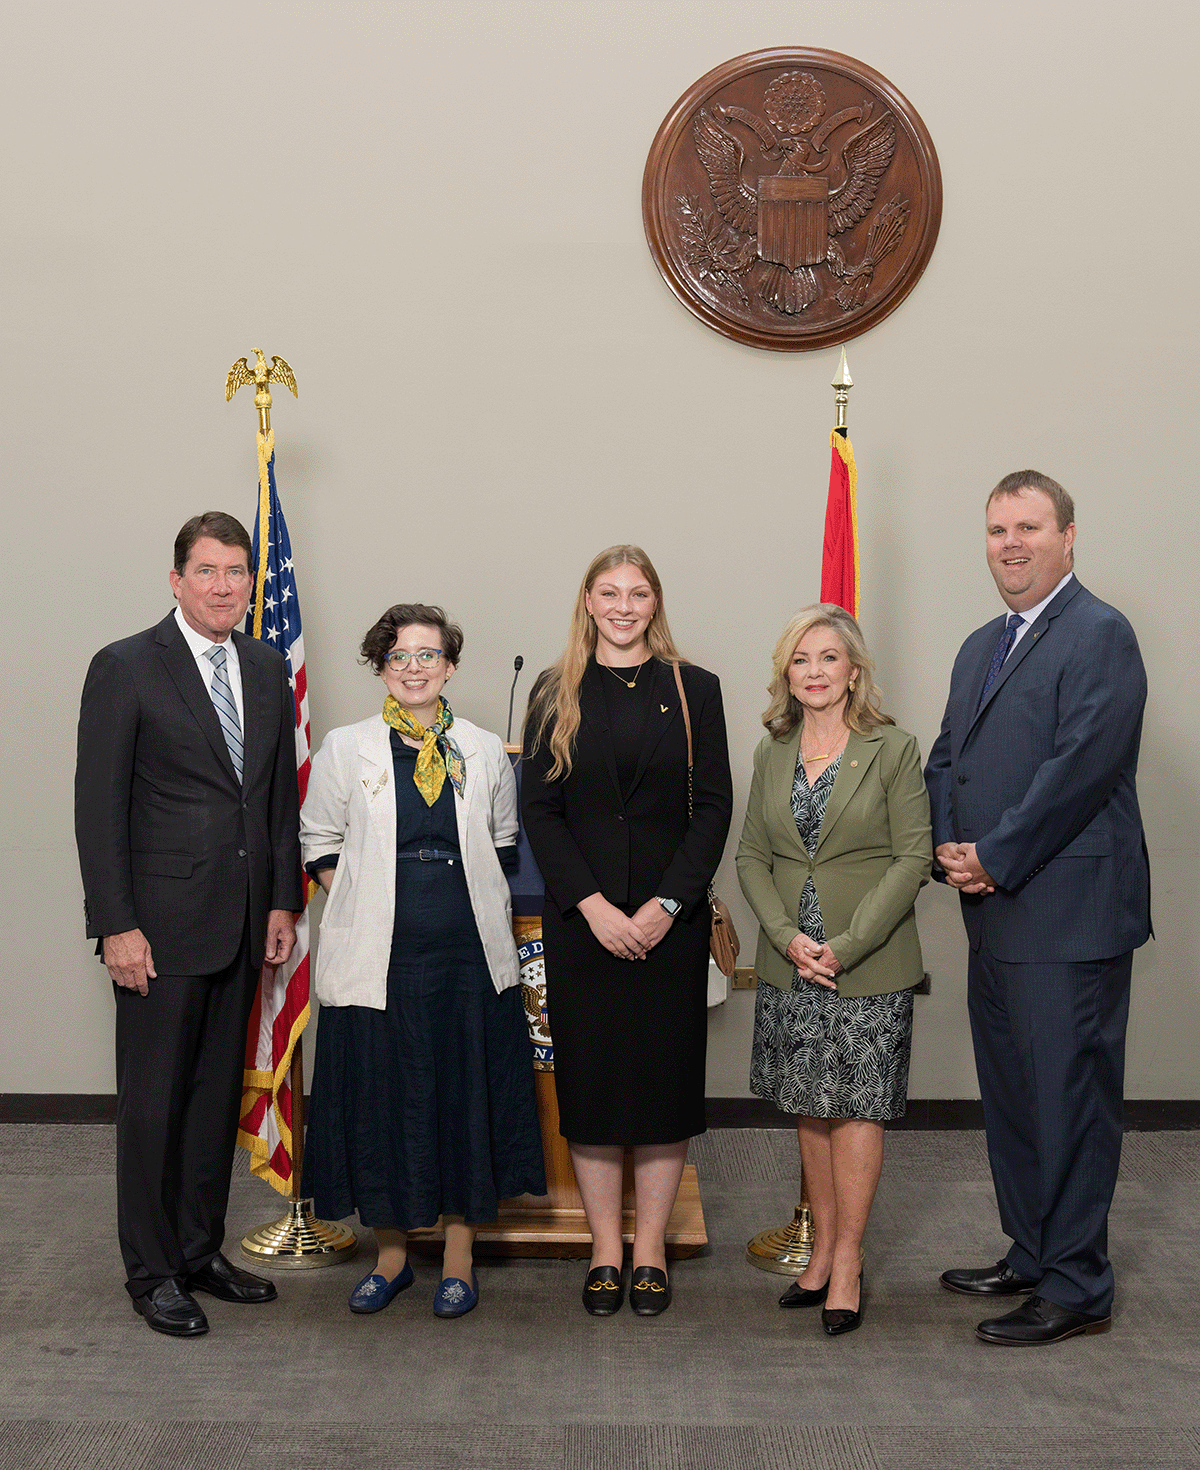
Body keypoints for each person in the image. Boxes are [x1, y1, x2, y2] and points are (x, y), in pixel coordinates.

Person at [926, 471, 1151, 1346]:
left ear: (1067, 536)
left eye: (1029, 527)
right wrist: (952, 849)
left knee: (1069, 1102)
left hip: (1068, 914)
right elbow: (948, 758)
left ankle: (1078, 1284)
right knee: (1017, 1098)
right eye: (997, 530)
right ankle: (1034, 1251)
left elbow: (1081, 769)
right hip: (992, 911)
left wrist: (997, 854)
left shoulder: (1100, 633)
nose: (1011, 544)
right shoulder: (981, 644)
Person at [74, 511, 301, 1337]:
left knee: (212, 1104)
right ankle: (152, 1272)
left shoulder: (266, 666)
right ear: (177, 580)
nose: (223, 586)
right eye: (207, 571)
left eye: (237, 572)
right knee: (153, 1108)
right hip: (158, 931)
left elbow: (274, 799)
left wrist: (281, 901)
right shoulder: (126, 666)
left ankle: (200, 1251)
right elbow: (98, 809)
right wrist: (116, 925)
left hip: (242, 923)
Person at [300, 604, 546, 1319]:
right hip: (378, 960)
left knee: (464, 1100)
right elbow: (319, 842)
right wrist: (364, 901)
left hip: (469, 958)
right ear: (381, 668)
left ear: (450, 666)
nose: (414, 668)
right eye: (399, 656)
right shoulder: (346, 748)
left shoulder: (482, 749)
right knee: (381, 1102)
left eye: (428, 655)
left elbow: (503, 844)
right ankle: (392, 1258)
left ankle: (459, 1261)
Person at [521, 546, 732, 1317]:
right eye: (608, 593)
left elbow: (714, 806)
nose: (622, 607)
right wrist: (593, 906)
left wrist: (666, 906)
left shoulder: (695, 689)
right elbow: (539, 811)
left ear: (655, 602)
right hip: (585, 927)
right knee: (595, 1089)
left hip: (669, 927)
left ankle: (652, 1253)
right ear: (587, 601)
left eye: (637, 593)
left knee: (663, 1089)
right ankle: (606, 1249)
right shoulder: (554, 691)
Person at [736, 604, 931, 1337]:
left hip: (866, 962)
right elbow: (751, 855)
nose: (813, 672)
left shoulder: (894, 748)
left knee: (857, 1109)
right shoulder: (773, 750)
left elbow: (913, 857)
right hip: (791, 962)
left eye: (827, 658)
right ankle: (818, 1253)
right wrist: (787, 937)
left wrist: (843, 946)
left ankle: (848, 1259)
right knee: (810, 1106)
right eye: (800, 659)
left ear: (854, 672)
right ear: (786, 674)